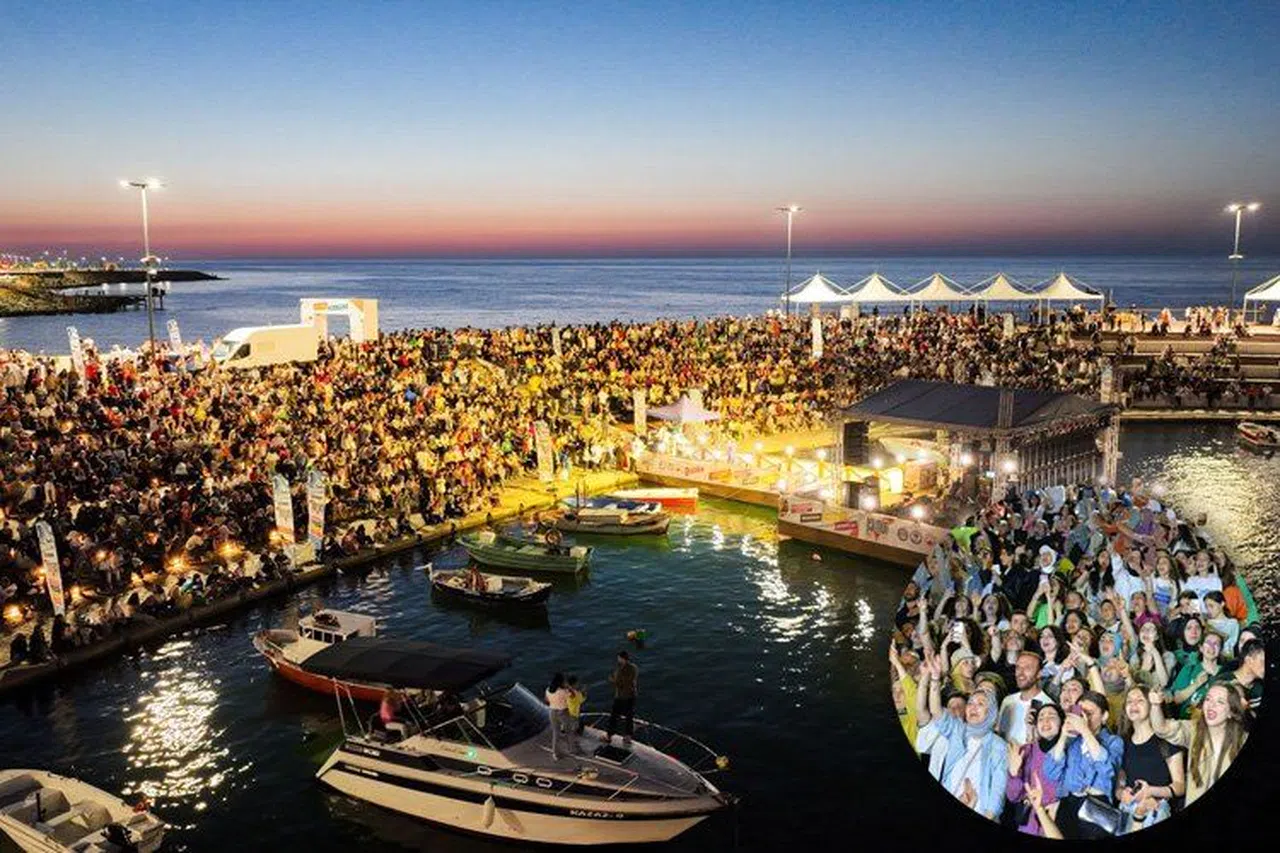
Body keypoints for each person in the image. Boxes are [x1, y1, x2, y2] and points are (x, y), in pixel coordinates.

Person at [1041, 690, 1124, 839]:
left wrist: (1085, 731)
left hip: (1096, 807)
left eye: (1089, 713)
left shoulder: (1114, 741)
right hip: (1068, 805)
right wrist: (1063, 737)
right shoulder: (1072, 742)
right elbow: (1051, 773)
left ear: (1104, 716)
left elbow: (1108, 770)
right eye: (1081, 714)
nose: (1083, 719)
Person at [1148, 683, 1248, 807]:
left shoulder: (1242, 740)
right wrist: (1155, 706)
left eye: (1220, 702)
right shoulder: (1194, 729)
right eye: (1208, 699)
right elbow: (1162, 728)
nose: (1211, 705)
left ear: (1231, 712)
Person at [1115, 686, 1184, 831]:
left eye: (1140, 700)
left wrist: (1151, 791)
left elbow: (1180, 786)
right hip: (1128, 810)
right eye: (1129, 701)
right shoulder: (1122, 742)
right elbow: (1120, 783)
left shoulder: (1167, 741)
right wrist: (1121, 793)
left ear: (1152, 705)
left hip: (1156, 810)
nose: (1133, 705)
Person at [1005, 701, 1064, 836]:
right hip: (1029, 825)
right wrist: (1014, 774)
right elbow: (1013, 796)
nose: (1045, 721)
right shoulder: (1026, 751)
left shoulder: (1069, 751)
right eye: (1041, 718)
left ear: (1062, 723)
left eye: (1052, 716)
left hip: (1056, 823)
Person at [997, 650, 1051, 747]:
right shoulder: (1008, 701)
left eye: (1027, 668)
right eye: (1018, 667)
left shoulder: (1047, 705)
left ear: (1039, 674)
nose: (1021, 673)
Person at [603, 651, 638, 748]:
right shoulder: (634, 668)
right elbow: (631, 681)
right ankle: (628, 737)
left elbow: (620, 683)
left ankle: (609, 736)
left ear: (622, 659)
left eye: (619, 658)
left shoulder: (620, 670)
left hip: (621, 696)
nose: (618, 660)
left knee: (614, 716)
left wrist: (612, 680)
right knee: (629, 716)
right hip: (632, 695)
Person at [546, 672, 571, 759]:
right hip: (563, 712)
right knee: (568, 731)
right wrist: (568, 687)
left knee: (556, 733)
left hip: (552, 712)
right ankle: (570, 748)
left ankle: (555, 753)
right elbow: (572, 698)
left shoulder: (548, 690)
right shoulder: (564, 691)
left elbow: (547, 700)